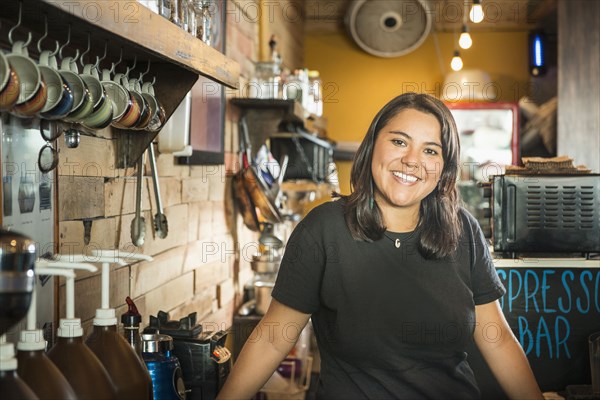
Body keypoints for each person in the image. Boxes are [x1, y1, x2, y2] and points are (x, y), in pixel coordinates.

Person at [218, 93, 542, 399]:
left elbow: (496, 338)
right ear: (373, 145)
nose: (412, 160)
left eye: (431, 150)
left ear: (444, 167)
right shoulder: (323, 230)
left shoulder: (463, 230)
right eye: (399, 141)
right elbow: (274, 337)